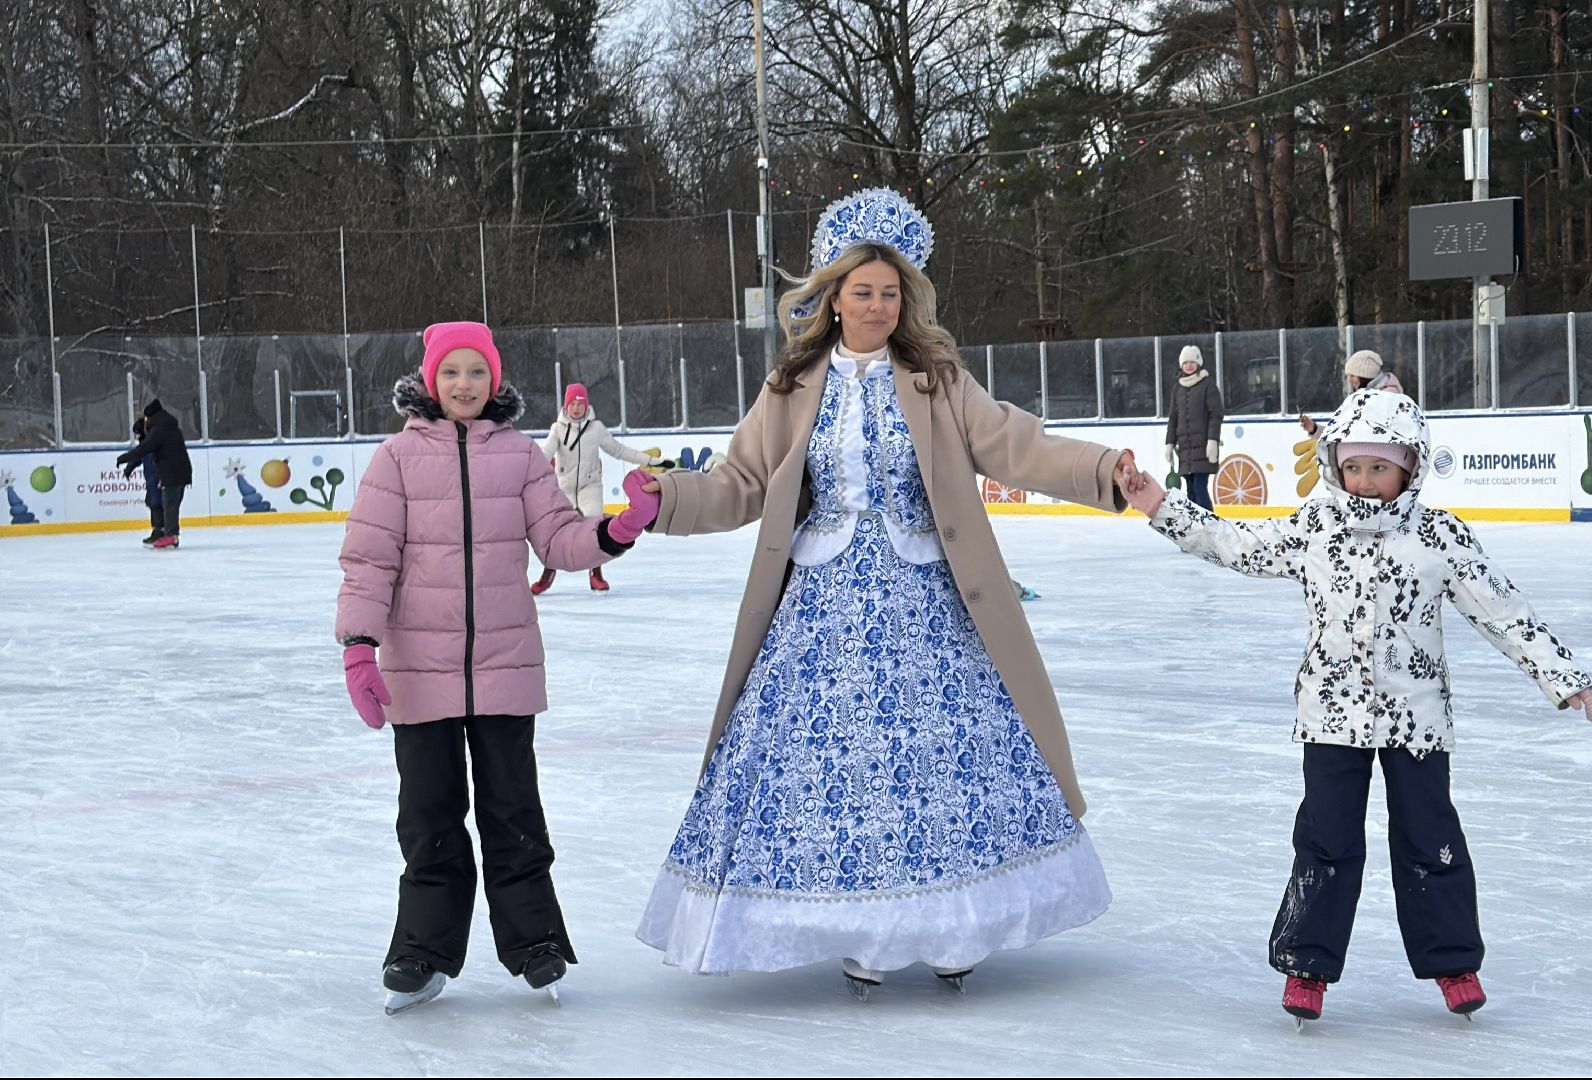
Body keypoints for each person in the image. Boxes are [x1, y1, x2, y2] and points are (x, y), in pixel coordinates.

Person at [629, 189, 1134, 997]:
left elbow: (1014, 443)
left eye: (890, 292)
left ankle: (953, 925)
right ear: (832, 298)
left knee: (942, 762)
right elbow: (740, 482)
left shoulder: (935, 379)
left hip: (926, 601)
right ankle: (863, 932)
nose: (876, 305)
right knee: (835, 767)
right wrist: (667, 500)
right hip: (823, 606)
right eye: (861, 291)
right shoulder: (792, 386)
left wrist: (1103, 469)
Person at [1121, 387, 1592, 1026]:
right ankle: (1307, 967)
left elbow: (1501, 608)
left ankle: (1454, 963)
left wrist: (1558, 674)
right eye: (1353, 466)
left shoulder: (1438, 536)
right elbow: (1236, 544)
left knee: (1432, 840)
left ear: (1410, 465)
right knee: (1326, 840)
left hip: (1418, 719)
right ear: (1335, 465)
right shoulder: (1317, 530)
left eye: (1380, 466)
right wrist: (1159, 505)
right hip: (1331, 715)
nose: (1366, 481)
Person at [334, 320, 656, 1015]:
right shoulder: (394, 460)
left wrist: (621, 526)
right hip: (417, 670)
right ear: (428, 380)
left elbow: (564, 542)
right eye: (450, 372)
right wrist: (359, 645)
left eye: (476, 372)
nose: (463, 385)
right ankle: (421, 950)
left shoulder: (518, 456)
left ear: (495, 379)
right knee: (428, 817)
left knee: (514, 812)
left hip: (505, 668)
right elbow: (369, 561)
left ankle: (535, 940)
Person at [533, 383, 662, 594]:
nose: (576, 408)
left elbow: (618, 450)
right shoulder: (557, 429)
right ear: (566, 406)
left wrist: (649, 460)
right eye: (572, 404)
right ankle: (548, 574)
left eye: (580, 404)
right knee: (555, 532)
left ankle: (596, 574)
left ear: (587, 406)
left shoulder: (596, 429)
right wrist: (527, 469)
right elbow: (545, 454)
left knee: (594, 528)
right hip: (563, 488)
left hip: (590, 487)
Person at [115, 399, 193, 548]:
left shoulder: (160, 430)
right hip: (178, 471)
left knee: (168, 504)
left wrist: (125, 458)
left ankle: (170, 536)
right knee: (169, 504)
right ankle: (168, 534)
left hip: (172, 473)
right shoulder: (168, 427)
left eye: (146, 418)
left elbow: (145, 449)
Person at [1164, 345, 1224, 510]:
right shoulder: (1178, 388)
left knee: (1199, 488)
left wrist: (1212, 441)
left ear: (1199, 363)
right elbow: (1173, 418)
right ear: (1181, 365)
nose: (1189, 365)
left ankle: (1210, 524)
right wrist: (1169, 444)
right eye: (1186, 362)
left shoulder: (1208, 385)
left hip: (1203, 448)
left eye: (1192, 361)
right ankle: (1196, 527)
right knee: (1190, 492)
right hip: (1185, 450)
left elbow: (1215, 414)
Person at [1298, 350, 1404, 436]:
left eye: (1353, 375)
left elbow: (1359, 436)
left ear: (1365, 375)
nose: (1349, 380)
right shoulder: (1364, 397)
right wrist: (1314, 429)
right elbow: (1345, 434)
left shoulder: (1388, 397)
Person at [127, 416, 164, 545]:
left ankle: (160, 530)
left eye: (137, 434)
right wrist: (129, 468)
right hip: (151, 478)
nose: (136, 437)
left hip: (158, 478)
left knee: (157, 503)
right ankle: (157, 530)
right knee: (152, 502)